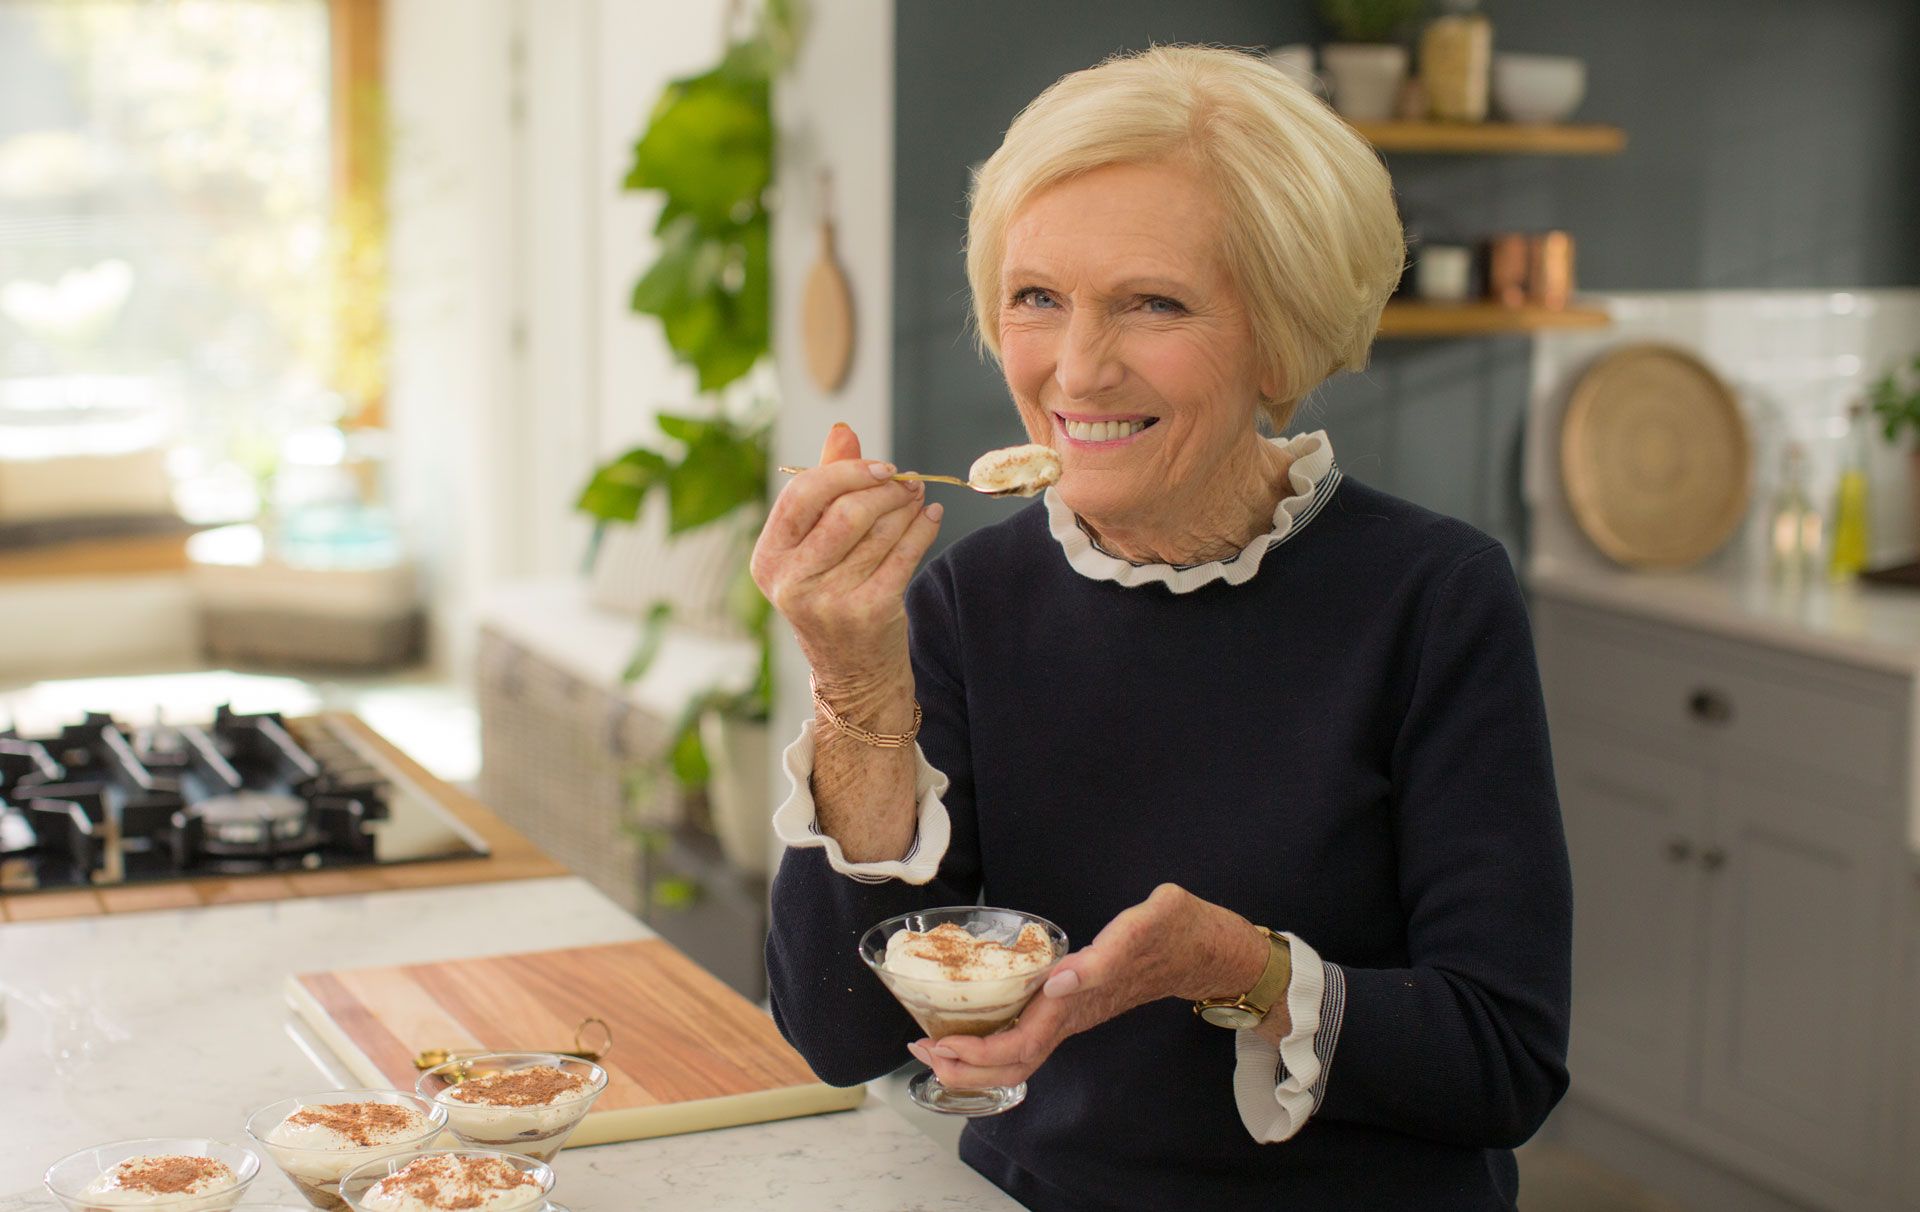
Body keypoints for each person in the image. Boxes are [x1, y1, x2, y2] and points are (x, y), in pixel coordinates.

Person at [750, 44, 1571, 1212]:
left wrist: (1244, 971)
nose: (1076, 369)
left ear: (1280, 335)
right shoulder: (965, 601)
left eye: (1155, 302)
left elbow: (1503, 1065)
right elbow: (839, 1034)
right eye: (1037, 297)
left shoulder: (1435, 599)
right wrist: (854, 683)